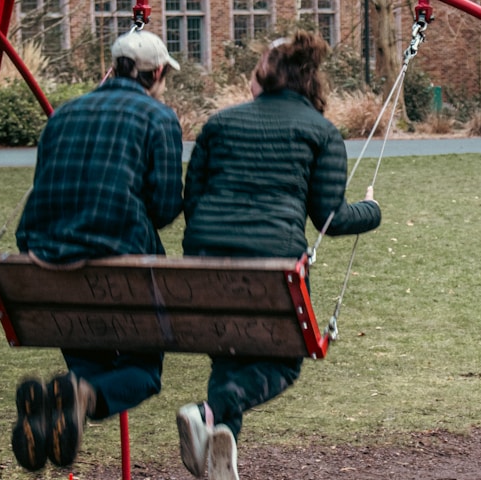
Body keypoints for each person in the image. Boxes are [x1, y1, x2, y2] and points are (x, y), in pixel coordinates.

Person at [175, 31, 381, 480]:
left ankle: (219, 454)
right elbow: (330, 218)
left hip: (205, 259)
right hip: (272, 265)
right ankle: (208, 414)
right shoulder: (321, 132)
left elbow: (193, 200)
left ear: (268, 75)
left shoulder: (219, 124)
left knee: (229, 355)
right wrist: (372, 210)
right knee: (286, 362)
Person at [9, 30, 184, 471]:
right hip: (119, 260)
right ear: (155, 74)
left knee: (87, 359)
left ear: (113, 67)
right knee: (143, 371)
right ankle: (83, 396)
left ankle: (67, 400)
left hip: (47, 266)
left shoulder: (64, 114)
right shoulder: (158, 117)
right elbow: (165, 208)